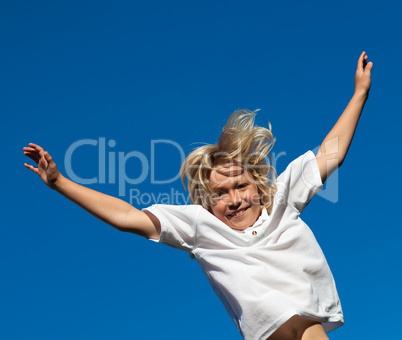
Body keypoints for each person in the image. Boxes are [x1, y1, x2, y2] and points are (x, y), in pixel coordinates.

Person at [23, 51, 373, 340]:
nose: (234, 199)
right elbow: (127, 217)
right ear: (207, 202)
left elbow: (331, 154)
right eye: (220, 194)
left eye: (240, 187)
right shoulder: (200, 226)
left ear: (258, 185)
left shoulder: (281, 200)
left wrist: (358, 94)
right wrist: (60, 183)